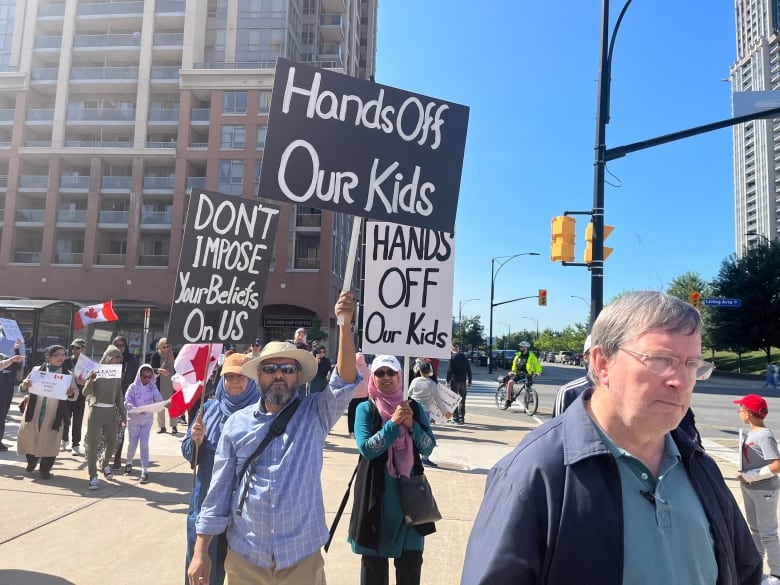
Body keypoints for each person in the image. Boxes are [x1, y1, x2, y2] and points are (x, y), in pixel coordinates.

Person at [461, 291, 762, 585]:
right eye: (661, 359)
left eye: (692, 365)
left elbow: (746, 571)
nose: (681, 382)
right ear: (603, 363)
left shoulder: (700, 467)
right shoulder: (533, 475)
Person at [187, 291, 358, 585]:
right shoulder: (237, 425)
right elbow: (218, 491)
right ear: (259, 376)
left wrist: (344, 325)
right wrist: (200, 550)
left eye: (288, 368)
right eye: (270, 368)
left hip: (301, 558)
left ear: (297, 376)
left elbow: (343, 380)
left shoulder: (315, 414)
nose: (279, 374)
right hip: (246, 559)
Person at [348, 354, 437, 585]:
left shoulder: (412, 408)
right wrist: (392, 424)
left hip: (410, 502)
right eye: (379, 373)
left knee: (410, 568)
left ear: (400, 375)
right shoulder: (365, 410)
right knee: (374, 571)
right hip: (377, 499)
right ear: (373, 377)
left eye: (391, 372)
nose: (386, 377)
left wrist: (412, 426)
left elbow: (428, 448)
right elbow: (367, 449)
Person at [182, 352, 260, 585]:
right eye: (229, 377)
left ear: (252, 380)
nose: (234, 382)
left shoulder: (262, 412)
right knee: (202, 574)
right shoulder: (209, 408)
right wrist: (197, 440)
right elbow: (189, 454)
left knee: (246, 575)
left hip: (246, 514)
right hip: (206, 505)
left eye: (240, 377)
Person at [735, 394, 780, 584]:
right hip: (750, 488)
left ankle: (777, 574)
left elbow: (776, 465)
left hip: (764, 490)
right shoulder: (750, 434)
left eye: (740, 409)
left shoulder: (764, 435)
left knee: (768, 533)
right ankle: (756, 568)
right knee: (755, 530)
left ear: (749, 413)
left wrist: (751, 475)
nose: (739, 413)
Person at [17, 345, 78, 480]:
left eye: (63, 355)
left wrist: (71, 392)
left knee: (50, 442)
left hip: (54, 414)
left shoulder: (67, 375)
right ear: (49, 357)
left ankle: (45, 470)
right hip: (34, 412)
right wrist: (24, 385)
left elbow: (75, 394)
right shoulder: (37, 370)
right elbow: (23, 387)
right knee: (30, 438)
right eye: (57, 355)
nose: (60, 358)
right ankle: (32, 461)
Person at [82, 345, 127, 490]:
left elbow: (119, 397)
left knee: (113, 442)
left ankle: (105, 463)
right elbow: (85, 392)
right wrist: (90, 381)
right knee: (93, 444)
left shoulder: (117, 375)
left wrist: (123, 415)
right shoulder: (95, 371)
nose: (117, 362)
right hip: (96, 410)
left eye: (119, 359)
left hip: (110, 411)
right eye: (115, 358)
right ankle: (93, 476)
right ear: (108, 358)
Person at [124, 364, 164, 484]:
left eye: (149, 377)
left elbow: (159, 400)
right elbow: (127, 402)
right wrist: (136, 409)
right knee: (132, 443)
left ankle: (144, 470)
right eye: (144, 377)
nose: (146, 379)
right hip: (133, 420)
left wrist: (163, 404)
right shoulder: (132, 387)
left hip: (147, 420)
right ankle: (129, 462)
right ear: (139, 376)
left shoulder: (152, 387)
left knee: (144, 444)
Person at [408, 358, 449, 467]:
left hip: (413, 409)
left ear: (420, 371)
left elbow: (408, 394)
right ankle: (425, 457)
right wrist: (445, 412)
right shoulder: (432, 384)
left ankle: (410, 454)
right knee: (425, 433)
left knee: (412, 431)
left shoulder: (414, 381)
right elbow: (438, 400)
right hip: (425, 411)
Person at [111, 335, 139, 469]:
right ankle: (104, 456)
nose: (119, 348)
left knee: (120, 429)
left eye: (122, 345)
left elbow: (138, 376)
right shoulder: (108, 360)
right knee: (106, 430)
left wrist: (155, 371)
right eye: (116, 345)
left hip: (123, 400)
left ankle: (117, 458)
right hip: (108, 399)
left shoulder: (131, 361)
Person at [552, 335, 593, 417]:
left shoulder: (621, 390)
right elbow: (558, 427)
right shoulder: (569, 392)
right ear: (585, 357)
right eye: (596, 353)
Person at [62, 338, 87, 455]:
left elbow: (91, 381)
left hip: (80, 396)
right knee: (65, 418)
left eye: (77, 348)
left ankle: (75, 444)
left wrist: (84, 381)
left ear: (83, 349)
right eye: (73, 347)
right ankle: (64, 440)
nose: (74, 350)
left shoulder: (87, 363)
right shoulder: (66, 362)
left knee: (77, 421)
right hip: (66, 394)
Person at [502, 340, 542, 410]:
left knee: (528, 386)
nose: (520, 347)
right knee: (510, 382)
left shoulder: (532, 356)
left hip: (527, 374)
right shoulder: (518, 355)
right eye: (520, 346)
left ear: (526, 347)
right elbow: (514, 364)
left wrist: (538, 372)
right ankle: (507, 401)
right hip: (518, 373)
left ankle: (528, 404)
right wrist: (512, 371)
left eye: (521, 346)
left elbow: (537, 365)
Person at [150, 337, 178, 434]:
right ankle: (162, 427)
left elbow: (179, 367)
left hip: (173, 385)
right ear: (160, 347)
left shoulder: (174, 354)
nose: (166, 349)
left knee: (173, 406)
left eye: (168, 346)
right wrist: (159, 370)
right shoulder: (156, 355)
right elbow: (151, 368)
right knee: (160, 406)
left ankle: (174, 426)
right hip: (160, 384)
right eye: (164, 347)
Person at [0, 339, 24, 452]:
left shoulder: (1, 356)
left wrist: (17, 350)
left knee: (2, 413)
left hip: (2, 389)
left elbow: (16, 365)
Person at [445, 344, 472, 424]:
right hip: (463, 381)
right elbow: (469, 369)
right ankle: (461, 417)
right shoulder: (464, 357)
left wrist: (447, 381)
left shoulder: (451, 357)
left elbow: (450, 370)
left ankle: (455, 418)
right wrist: (469, 380)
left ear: (452, 348)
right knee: (462, 400)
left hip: (455, 381)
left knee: (454, 400)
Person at [348, 352, 371, 439]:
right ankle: (361, 430)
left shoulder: (352, 369)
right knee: (362, 413)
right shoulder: (367, 370)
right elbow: (370, 382)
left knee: (352, 413)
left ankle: (351, 431)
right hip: (364, 395)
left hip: (352, 395)